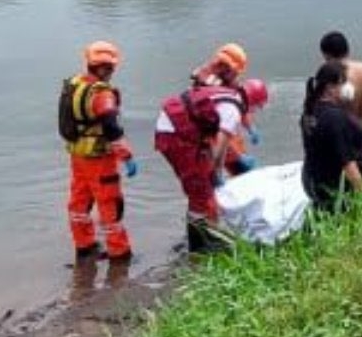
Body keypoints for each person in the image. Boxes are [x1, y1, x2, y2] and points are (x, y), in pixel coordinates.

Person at [154, 42, 251, 254]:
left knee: (203, 187)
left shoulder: (208, 75)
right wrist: (215, 171)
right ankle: (200, 247)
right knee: (202, 192)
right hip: (179, 136)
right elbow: (221, 144)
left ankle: (200, 232)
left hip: (180, 129)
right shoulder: (231, 102)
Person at [59, 40, 137, 263]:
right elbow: (112, 128)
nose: (112, 71)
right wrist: (127, 157)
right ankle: (119, 254)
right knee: (110, 204)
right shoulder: (101, 93)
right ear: (109, 67)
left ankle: (85, 247)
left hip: (77, 154)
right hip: (99, 158)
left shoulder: (75, 83)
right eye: (111, 67)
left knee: (79, 202)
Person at [300, 60, 362, 213]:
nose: (347, 87)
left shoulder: (309, 112)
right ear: (330, 88)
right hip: (334, 188)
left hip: (312, 181)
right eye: (343, 82)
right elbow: (347, 163)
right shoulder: (335, 119)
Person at [319, 31, 362, 179]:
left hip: (346, 141)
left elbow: (326, 115)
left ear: (326, 56)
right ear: (347, 49)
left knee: (345, 184)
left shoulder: (332, 78)